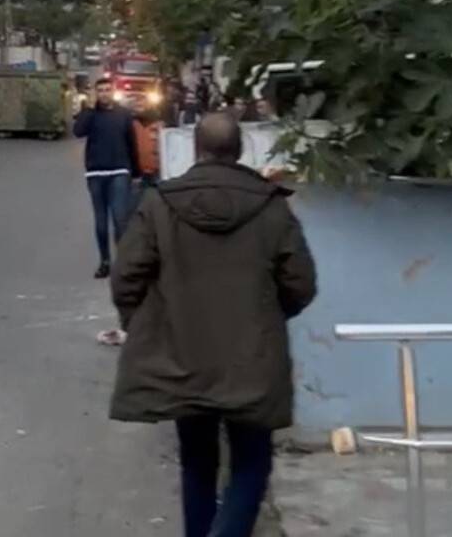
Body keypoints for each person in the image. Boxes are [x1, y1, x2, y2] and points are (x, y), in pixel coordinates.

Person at [110, 112, 317, 537]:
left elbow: (126, 277)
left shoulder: (160, 203)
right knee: (252, 463)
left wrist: (151, 327)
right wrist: (267, 318)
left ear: (196, 149)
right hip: (253, 359)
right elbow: (301, 283)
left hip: (183, 354)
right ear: (240, 151)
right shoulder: (271, 206)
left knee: (197, 461)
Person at [74, 77, 138, 278]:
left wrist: (134, 172)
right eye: (100, 90)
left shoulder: (124, 115)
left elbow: (131, 143)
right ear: (96, 93)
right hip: (96, 173)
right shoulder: (91, 114)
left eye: (107, 90)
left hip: (119, 171)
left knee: (120, 219)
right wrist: (88, 109)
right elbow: (78, 132)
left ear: (113, 91)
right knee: (101, 221)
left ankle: (123, 262)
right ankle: (105, 261)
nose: (104, 93)